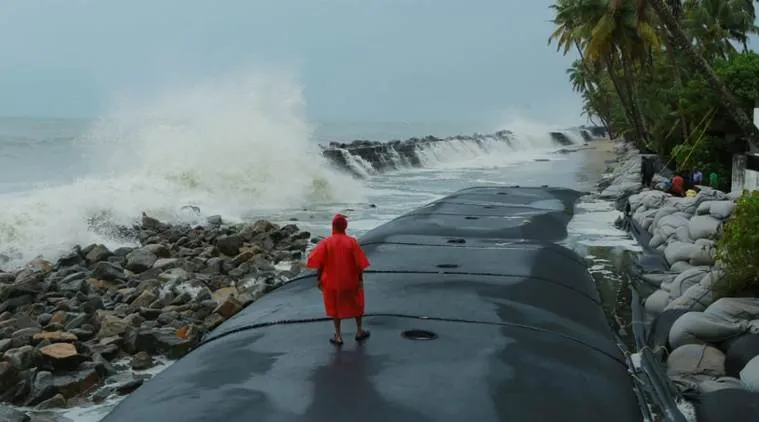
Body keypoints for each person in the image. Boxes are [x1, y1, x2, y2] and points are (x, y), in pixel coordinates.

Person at [306, 213, 371, 346]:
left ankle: (339, 336)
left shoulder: (327, 242)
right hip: (350, 280)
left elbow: (320, 263)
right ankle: (359, 331)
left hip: (332, 281)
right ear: (345, 226)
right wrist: (360, 280)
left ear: (333, 226)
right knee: (357, 303)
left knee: (334, 306)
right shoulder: (352, 242)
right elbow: (359, 264)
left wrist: (318, 279)